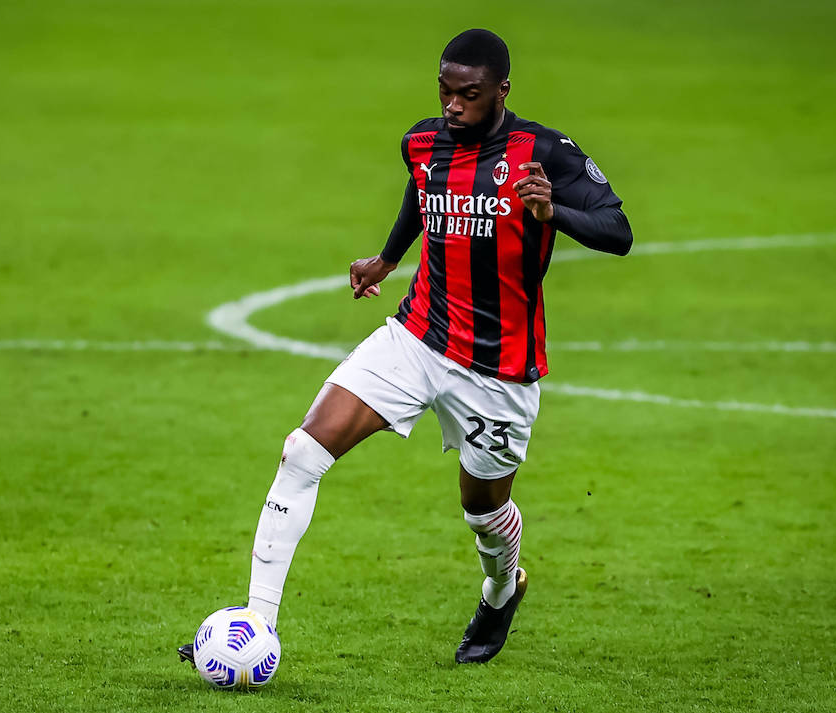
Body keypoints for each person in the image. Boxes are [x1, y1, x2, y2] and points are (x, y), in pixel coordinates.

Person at [181, 28, 632, 666]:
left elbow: (619, 231)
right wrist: (388, 258)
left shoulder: (545, 152)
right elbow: (420, 197)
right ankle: (255, 625)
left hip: (499, 369)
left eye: (468, 94)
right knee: (302, 451)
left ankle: (502, 588)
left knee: (482, 509)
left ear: (502, 90)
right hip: (419, 335)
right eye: (445, 91)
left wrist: (554, 211)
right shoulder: (423, 141)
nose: (453, 105)